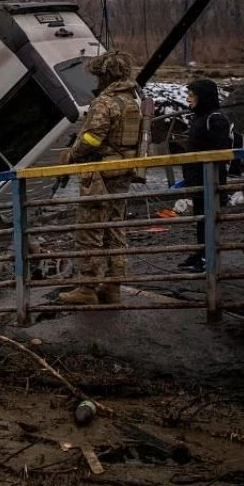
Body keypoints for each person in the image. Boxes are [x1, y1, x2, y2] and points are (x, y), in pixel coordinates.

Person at [57, 51, 142, 305]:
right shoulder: (132, 102)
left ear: (105, 76)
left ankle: (87, 288)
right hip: (123, 172)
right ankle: (113, 285)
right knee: (114, 228)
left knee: (90, 228)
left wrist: (72, 154)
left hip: (100, 174)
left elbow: (93, 138)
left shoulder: (105, 102)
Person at [177, 79, 233, 273]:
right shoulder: (199, 117)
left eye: (192, 96)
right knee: (201, 219)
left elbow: (220, 153)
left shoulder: (215, 119)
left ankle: (207, 257)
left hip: (211, 180)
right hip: (198, 180)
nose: (188, 99)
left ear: (203, 97)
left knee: (209, 219)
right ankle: (202, 252)